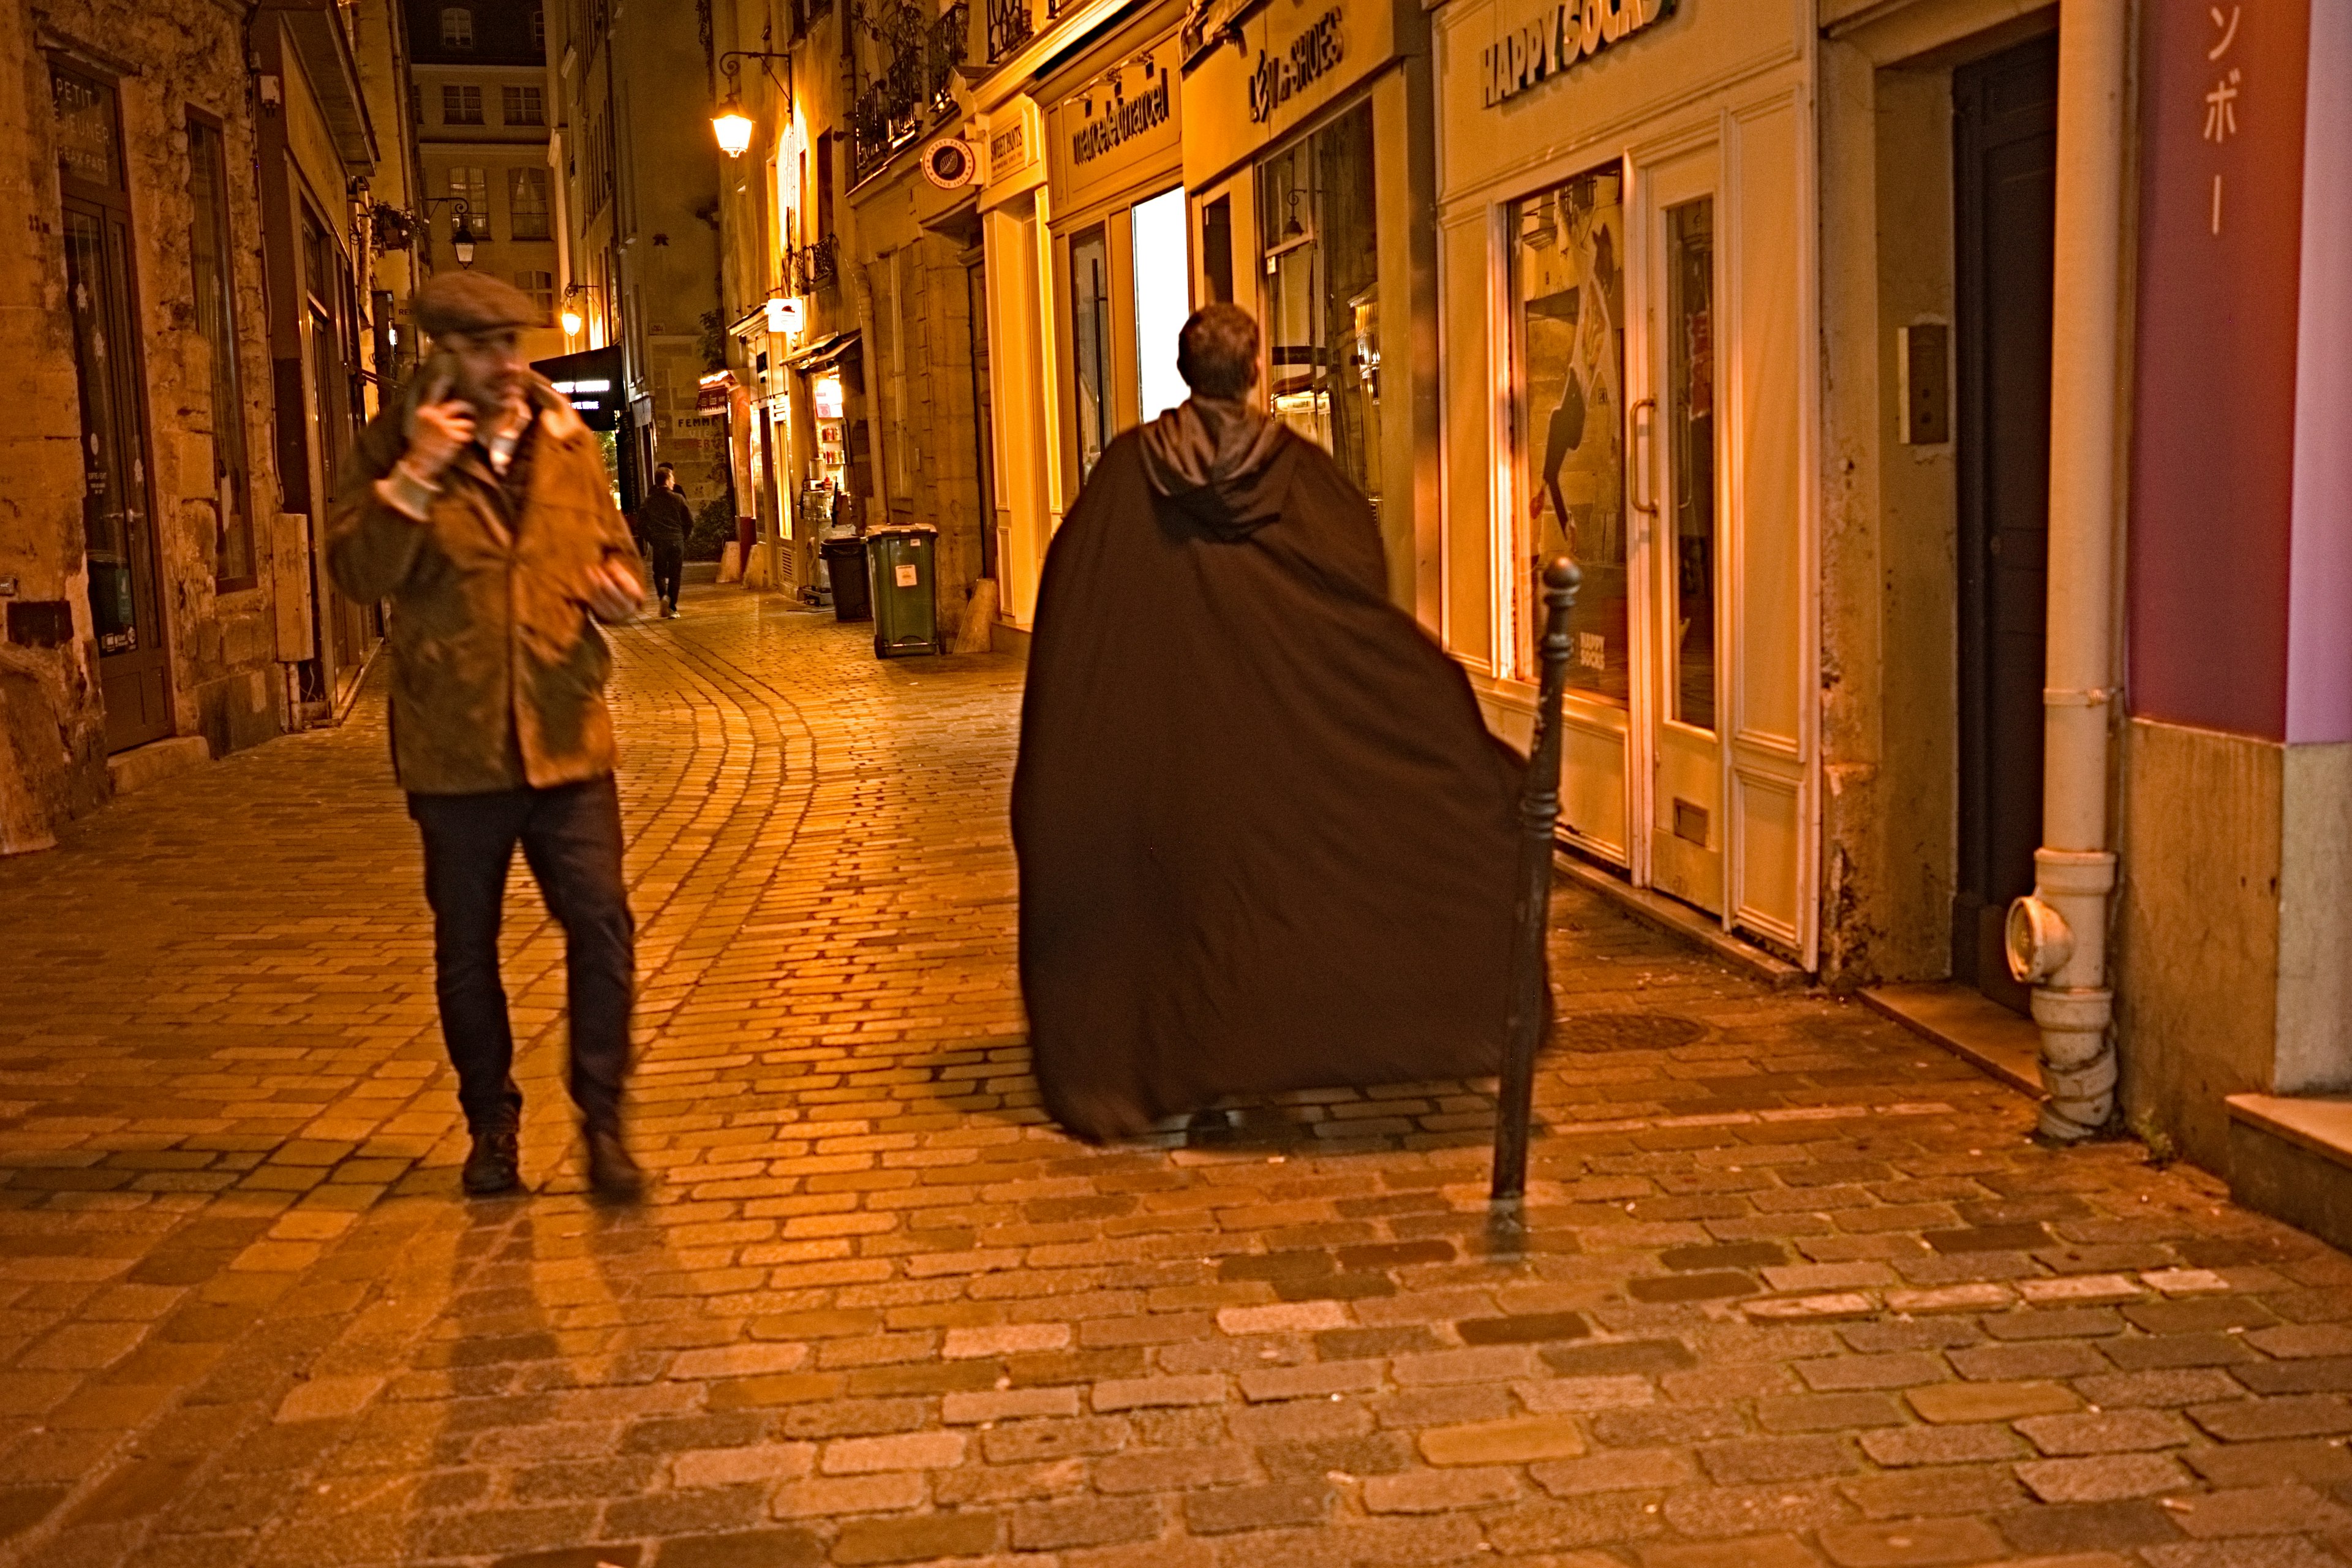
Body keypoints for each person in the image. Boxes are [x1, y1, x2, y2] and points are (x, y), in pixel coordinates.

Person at [1012, 303, 1531, 1143]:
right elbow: (1356, 598)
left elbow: (1079, 616)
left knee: (1190, 905)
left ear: (1187, 373)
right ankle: (1261, 1065)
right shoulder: (1304, 478)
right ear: (1253, 372)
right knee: (1261, 899)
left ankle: (1196, 1068)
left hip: (1172, 747)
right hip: (1271, 742)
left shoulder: (1121, 479)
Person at [326, 273, 649, 1202]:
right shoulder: (391, 446)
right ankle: (492, 1124)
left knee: (602, 925)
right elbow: (356, 572)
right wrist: (417, 478)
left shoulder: (568, 439)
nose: (509, 365)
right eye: (484, 348)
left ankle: (604, 1121)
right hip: (455, 743)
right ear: (442, 354)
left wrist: (620, 591)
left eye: (514, 343)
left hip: (566, 734)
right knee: (467, 945)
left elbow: (611, 547)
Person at [638, 464, 693, 618]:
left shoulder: (650, 500)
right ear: (668, 480)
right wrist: (683, 537)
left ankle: (663, 596)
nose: (674, 482)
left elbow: (641, 524)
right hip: (676, 540)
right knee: (675, 575)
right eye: (672, 478)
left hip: (659, 541)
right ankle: (672, 608)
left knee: (659, 573)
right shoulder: (678, 498)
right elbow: (689, 521)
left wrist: (651, 539)